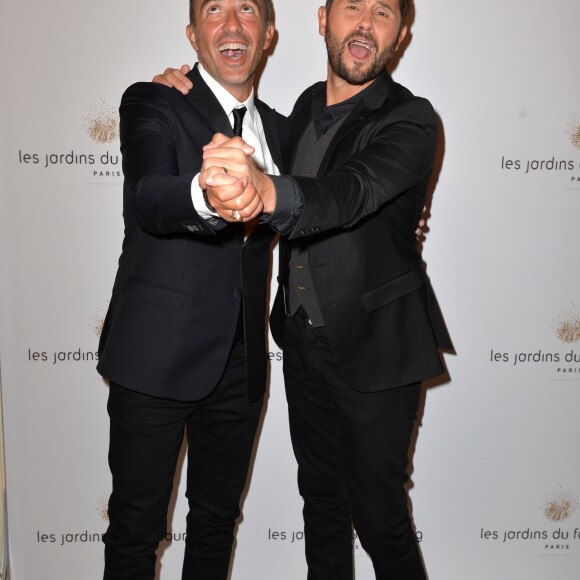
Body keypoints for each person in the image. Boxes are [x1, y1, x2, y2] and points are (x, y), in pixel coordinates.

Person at [155, 0, 452, 578]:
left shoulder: (412, 118)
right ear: (323, 20)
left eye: (384, 12)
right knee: (321, 505)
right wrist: (180, 87)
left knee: (380, 518)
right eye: (352, 8)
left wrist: (270, 194)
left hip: (378, 348)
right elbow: (245, 141)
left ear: (402, 33)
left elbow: (350, 192)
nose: (365, 22)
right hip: (302, 342)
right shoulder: (301, 110)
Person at [96, 1, 285, 579]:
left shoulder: (281, 128)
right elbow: (151, 196)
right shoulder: (155, 100)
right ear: (192, 35)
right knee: (135, 532)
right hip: (155, 356)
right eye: (214, 11)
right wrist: (209, 195)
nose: (231, 24)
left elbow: (324, 195)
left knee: (215, 524)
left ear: (268, 35)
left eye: (247, 10)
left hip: (241, 364)